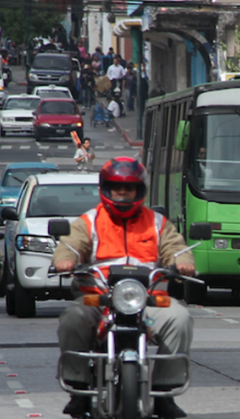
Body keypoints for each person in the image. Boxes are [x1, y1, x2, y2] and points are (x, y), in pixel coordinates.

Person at [52, 158, 195, 419]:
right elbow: (70, 245)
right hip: (98, 298)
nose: (122, 193)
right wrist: (65, 259)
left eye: (129, 188)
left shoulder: (158, 222)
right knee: (72, 318)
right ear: (105, 188)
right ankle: (78, 387)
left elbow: (176, 248)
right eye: (116, 187)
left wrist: (183, 262)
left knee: (180, 318)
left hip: (148, 301)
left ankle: (164, 392)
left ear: (140, 190)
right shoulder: (89, 221)